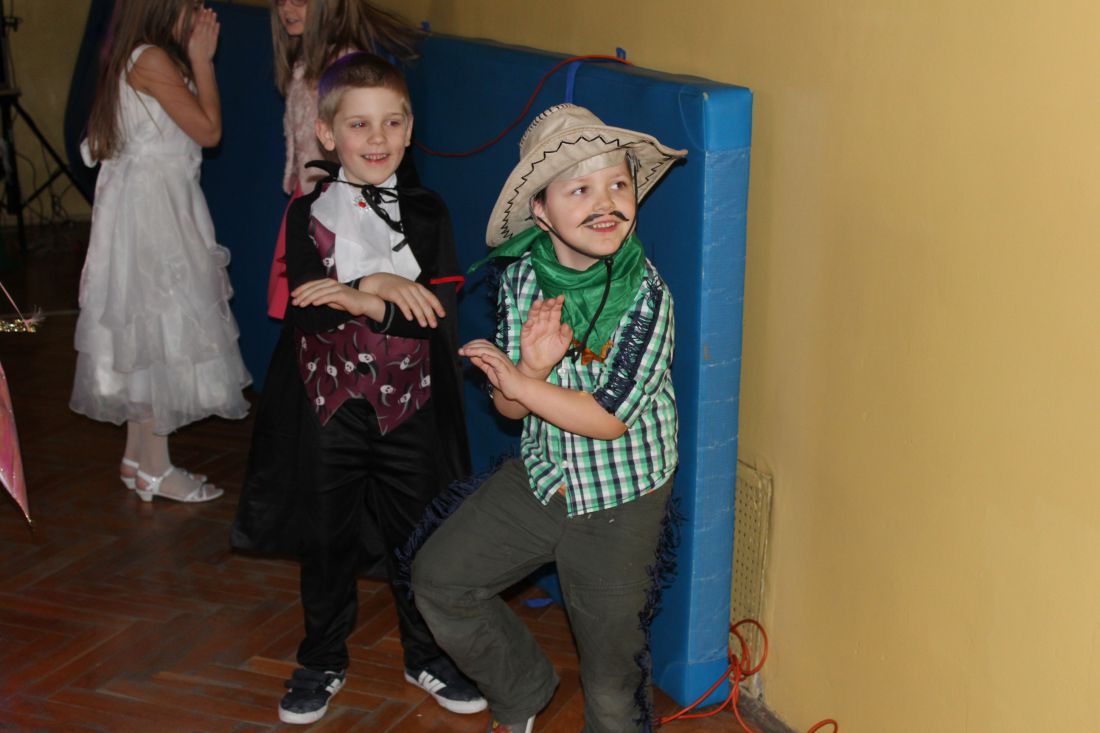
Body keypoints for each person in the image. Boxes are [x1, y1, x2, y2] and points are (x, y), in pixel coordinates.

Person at [410, 104, 687, 733]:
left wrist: (520, 383)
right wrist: (528, 372)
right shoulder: (520, 279)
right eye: (579, 189)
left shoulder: (647, 296)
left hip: (621, 496)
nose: (605, 203)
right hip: (545, 476)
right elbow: (509, 410)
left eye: (618, 184)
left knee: (612, 683)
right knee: (441, 581)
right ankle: (524, 691)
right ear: (540, 211)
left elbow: (609, 419)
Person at [237, 53, 484, 725]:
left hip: (412, 406)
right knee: (325, 536)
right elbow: (311, 310)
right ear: (326, 133)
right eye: (358, 124)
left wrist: (363, 298)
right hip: (329, 409)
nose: (377, 138)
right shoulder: (306, 213)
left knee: (421, 537)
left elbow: (435, 314)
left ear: (409, 129)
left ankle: (427, 654)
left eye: (391, 122)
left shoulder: (428, 214)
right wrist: (377, 285)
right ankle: (322, 657)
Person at [70, 0, 250, 503]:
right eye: (190, 4)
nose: (200, 12)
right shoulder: (150, 58)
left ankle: (136, 457)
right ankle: (155, 467)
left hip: (155, 205)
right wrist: (202, 60)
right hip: (153, 215)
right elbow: (208, 131)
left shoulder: (142, 55)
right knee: (158, 328)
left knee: (147, 328)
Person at [266, 0, 421, 320]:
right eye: (280, 0)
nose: (287, 9)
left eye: (299, 0)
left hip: (345, 207)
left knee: (338, 305)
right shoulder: (303, 63)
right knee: (306, 306)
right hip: (311, 199)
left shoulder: (346, 67)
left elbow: (362, 152)